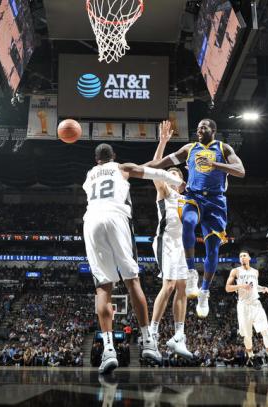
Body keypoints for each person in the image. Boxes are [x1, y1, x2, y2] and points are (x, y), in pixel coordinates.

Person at [83, 143, 183, 374]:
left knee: (103, 288)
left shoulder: (89, 174)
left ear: (96, 159)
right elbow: (153, 172)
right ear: (113, 157)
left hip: (91, 222)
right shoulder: (122, 167)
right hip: (116, 218)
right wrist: (176, 180)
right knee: (132, 281)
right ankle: (148, 342)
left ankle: (108, 350)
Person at [145, 118, 245, 318]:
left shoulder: (223, 148)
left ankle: (205, 291)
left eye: (204, 127)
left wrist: (215, 164)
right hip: (194, 197)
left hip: (216, 201)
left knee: (213, 248)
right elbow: (160, 164)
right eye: (198, 127)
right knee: (188, 222)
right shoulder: (189, 148)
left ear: (213, 130)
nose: (199, 129)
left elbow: (241, 171)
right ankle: (191, 272)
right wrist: (132, 169)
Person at [148, 121, 193, 360]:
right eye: (170, 174)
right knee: (169, 285)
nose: (171, 175)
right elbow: (156, 168)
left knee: (183, 287)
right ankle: (152, 333)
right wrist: (163, 142)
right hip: (165, 241)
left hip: (183, 245)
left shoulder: (187, 199)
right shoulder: (164, 191)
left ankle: (178, 336)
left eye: (175, 173)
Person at [225, 250, 268, 370]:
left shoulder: (255, 272)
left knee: (265, 331)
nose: (242, 258)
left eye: (244, 256)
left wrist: (263, 288)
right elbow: (227, 288)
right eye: (240, 256)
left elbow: (254, 287)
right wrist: (241, 286)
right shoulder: (235, 271)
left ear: (249, 258)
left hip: (256, 304)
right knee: (247, 336)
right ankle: (252, 358)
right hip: (243, 306)